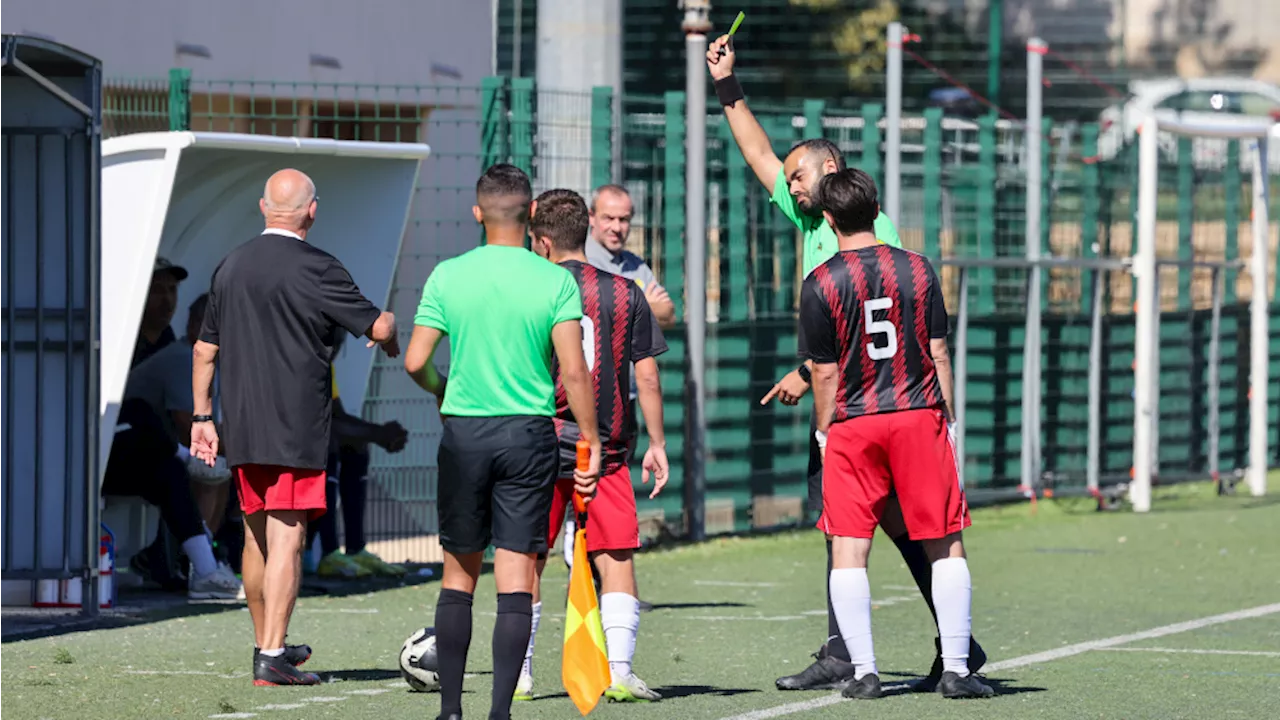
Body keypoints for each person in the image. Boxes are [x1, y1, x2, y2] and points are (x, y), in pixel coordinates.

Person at [707, 33, 987, 692]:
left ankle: (935, 650)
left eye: (797, 174)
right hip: (890, 409)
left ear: (828, 181)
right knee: (872, 532)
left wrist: (816, 391)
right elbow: (755, 151)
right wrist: (727, 83)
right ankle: (891, 651)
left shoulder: (871, 240)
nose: (787, 181)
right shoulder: (817, 225)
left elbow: (868, 320)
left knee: (887, 533)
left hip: (866, 412)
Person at [403, 164, 602, 720]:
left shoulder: (448, 274)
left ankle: (449, 711)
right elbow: (575, 370)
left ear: (477, 213)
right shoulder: (555, 280)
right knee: (516, 578)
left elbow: (415, 360)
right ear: (533, 213)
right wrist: (590, 437)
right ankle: (500, 714)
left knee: (458, 575)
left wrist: (444, 392)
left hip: (464, 431)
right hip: (529, 433)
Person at [191, 168, 400, 686]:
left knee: (256, 537)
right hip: (295, 426)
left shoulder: (230, 265)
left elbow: (203, 350)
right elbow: (377, 325)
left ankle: (267, 646)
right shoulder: (320, 268)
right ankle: (272, 653)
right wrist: (391, 332)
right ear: (312, 211)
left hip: (240, 423)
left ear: (264, 207)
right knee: (288, 536)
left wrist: (202, 418)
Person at [800, 168, 993, 700]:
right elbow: (938, 352)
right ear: (877, 209)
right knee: (945, 541)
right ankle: (957, 668)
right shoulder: (918, 268)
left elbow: (823, 372)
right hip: (917, 415)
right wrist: (949, 424)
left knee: (849, 548)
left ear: (829, 218)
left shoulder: (820, 281)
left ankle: (865, 672)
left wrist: (824, 433)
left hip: (854, 424)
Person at [517, 189, 669, 703]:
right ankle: (621, 672)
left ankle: (519, 674)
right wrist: (659, 442)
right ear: (585, 230)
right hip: (605, 447)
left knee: (527, 557)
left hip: (538, 442)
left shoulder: (530, 288)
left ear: (540, 241)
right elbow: (646, 376)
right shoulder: (627, 292)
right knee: (616, 555)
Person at [308, 332, 409, 579]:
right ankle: (327, 552)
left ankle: (355, 548)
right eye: (329, 339)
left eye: (339, 342)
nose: (334, 347)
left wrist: (375, 433)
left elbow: (337, 414)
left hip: (308, 446)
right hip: (288, 451)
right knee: (329, 440)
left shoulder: (325, 367)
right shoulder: (305, 364)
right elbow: (326, 423)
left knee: (355, 444)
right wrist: (380, 434)